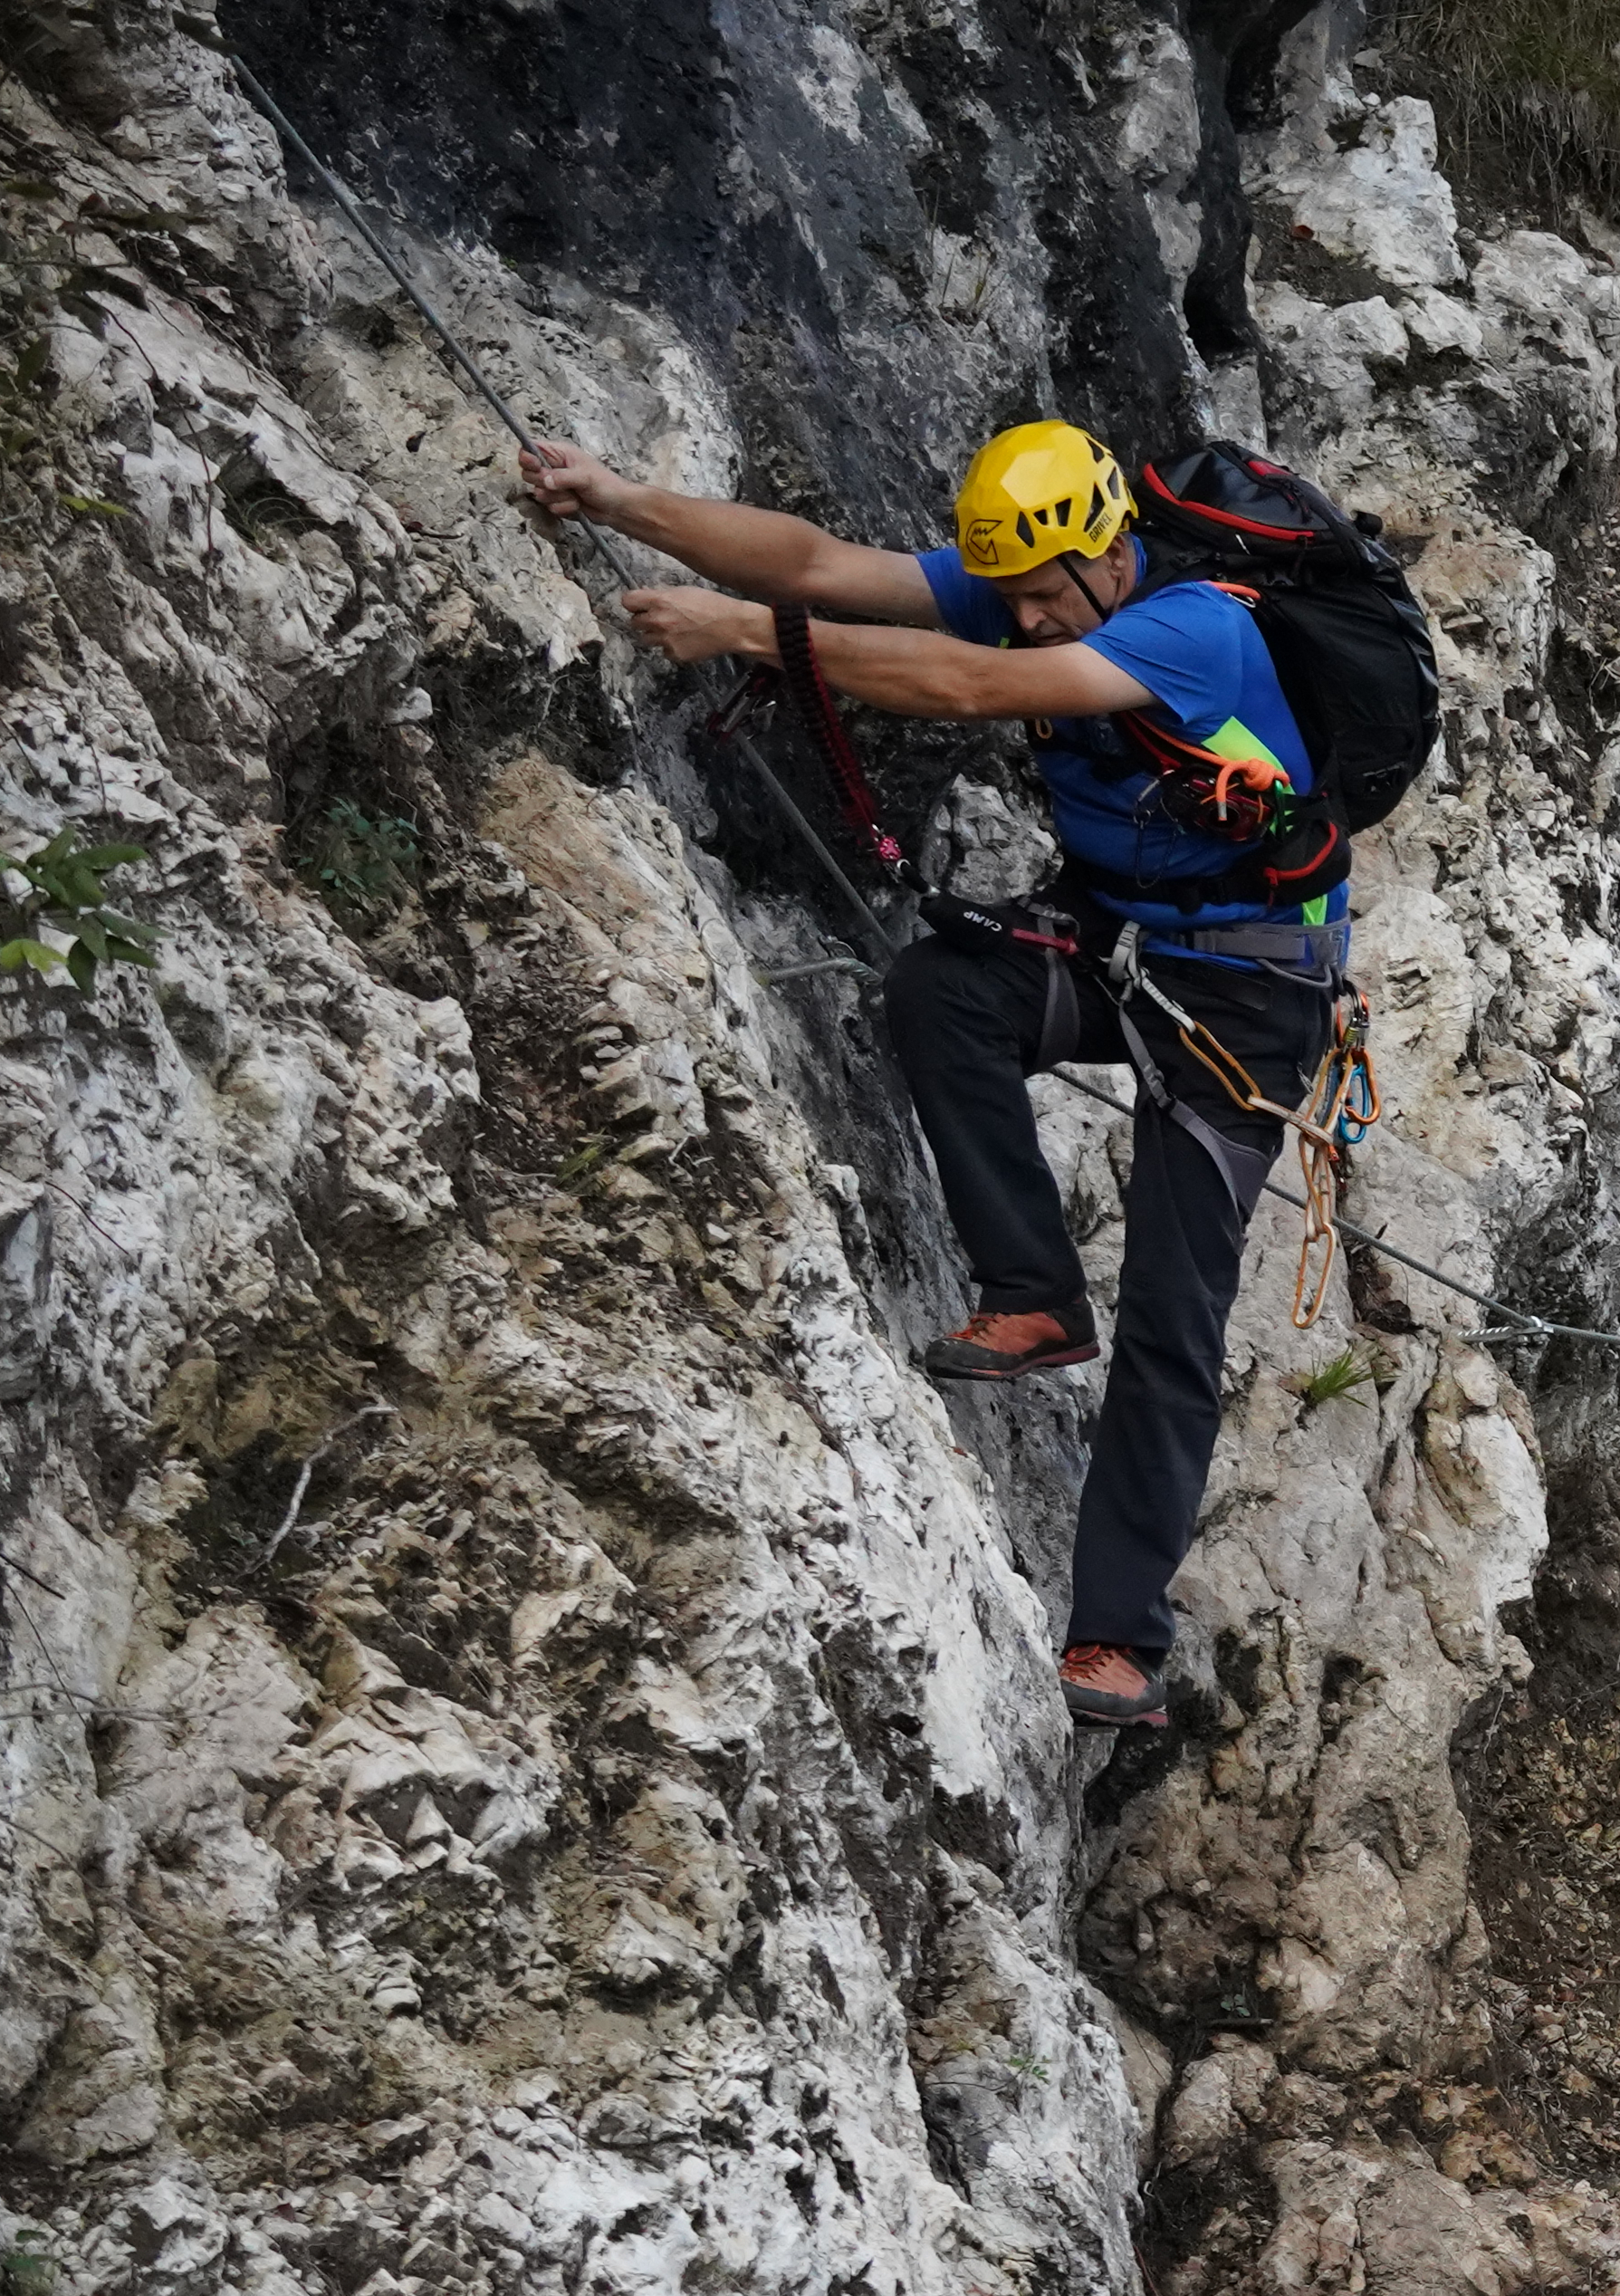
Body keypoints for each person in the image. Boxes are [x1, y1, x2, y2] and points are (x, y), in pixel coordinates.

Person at [515, 421, 1354, 1732]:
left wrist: (745, 637)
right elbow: (818, 564)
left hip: (1248, 1001)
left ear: (1108, 554)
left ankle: (1117, 1643)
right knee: (942, 989)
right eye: (1005, 595)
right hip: (1127, 947)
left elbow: (969, 687)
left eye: (1040, 596)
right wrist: (621, 500)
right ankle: (1033, 1296)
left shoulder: (1192, 628)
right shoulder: (1044, 585)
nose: (1021, 618)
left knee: (1175, 1305)